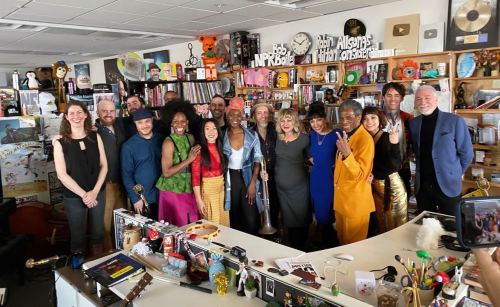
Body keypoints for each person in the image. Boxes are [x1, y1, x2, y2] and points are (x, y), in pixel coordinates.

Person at [53, 101, 108, 256]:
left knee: (98, 233)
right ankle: (78, 272)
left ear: (85, 115)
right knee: (78, 237)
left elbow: (104, 166)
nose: (76, 116)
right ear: (66, 117)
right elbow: (62, 175)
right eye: (72, 113)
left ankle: (97, 268)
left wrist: (95, 192)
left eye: (79, 112)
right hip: (74, 196)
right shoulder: (60, 143)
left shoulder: (95, 136)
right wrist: (85, 195)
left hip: (98, 192)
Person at [409, 85, 473, 215]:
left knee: (451, 226)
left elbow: (467, 153)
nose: (423, 102)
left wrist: (456, 173)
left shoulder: (455, 121)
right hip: (423, 186)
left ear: (436, 100)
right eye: (419, 99)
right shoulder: (414, 123)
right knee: (426, 225)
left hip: (449, 184)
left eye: (427, 98)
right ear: (415, 102)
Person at [334, 99, 375, 245]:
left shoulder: (365, 139)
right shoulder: (346, 135)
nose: (344, 121)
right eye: (342, 117)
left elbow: (360, 175)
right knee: (341, 245)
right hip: (341, 203)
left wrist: (347, 155)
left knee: (353, 249)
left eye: (349, 117)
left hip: (355, 205)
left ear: (358, 117)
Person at [362, 106, 407, 234]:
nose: (369, 121)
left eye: (373, 117)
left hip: (391, 187)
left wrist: (394, 144)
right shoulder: (365, 138)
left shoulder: (388, 137)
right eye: (365, 119)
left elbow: (396, 166)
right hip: (375, 186)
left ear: (379, 119)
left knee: (395, 224)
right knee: (381, 222)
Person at [223, 97, 263, 235]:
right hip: (230, 178)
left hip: (247, 176)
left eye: (238, 114)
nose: (235, 117)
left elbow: (258, 158)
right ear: (227, 115)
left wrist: (253, 182)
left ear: (242, 116)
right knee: (234, 216)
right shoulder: (222, 135)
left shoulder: (252, 135)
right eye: (231, 114)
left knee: (251, 219)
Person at [156, 105, 200, 226]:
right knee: (179, 224)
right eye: (175, 122)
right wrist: (189, 160)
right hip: (172, 189)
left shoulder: (190, 138)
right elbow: (166, 172)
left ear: (187, 122)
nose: (179, 125)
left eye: (182, 121)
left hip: (189, 185)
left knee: (192, 221)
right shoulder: (168, 142)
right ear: (171, 124)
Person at [274, 108, 310, 250]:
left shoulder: (304, 139)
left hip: (300, 187)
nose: (286, 123)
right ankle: (293, 246)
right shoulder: (277, 139)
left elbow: (313, 159)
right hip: (281, 188)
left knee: (301, 216)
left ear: (295, 121)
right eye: (282, 120)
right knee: (288, 218)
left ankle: (302, 247)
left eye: (289, 120)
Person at [95, 99, 128, 251]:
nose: (108, 114)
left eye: (111, 111)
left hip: (122, 182)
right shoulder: (92, 130)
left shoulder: (121, 125)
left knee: (122, 223)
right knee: (105, 226)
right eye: (104, 111)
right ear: (97, 113)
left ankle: (123, 253)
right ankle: (108, 256)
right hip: (105, 184)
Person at [121, 108, 164, 220]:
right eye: (140, 122)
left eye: (147, 121)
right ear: (135, 124)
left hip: (164, 195)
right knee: (148, 233)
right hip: (143, 198)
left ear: (152, 121)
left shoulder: (162, 139)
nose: (144, 125)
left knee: (166, 230)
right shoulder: (128, 146)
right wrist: (135, 199)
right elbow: (127, 175)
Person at [307, 103, 339, 248]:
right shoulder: (311, 136)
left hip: (330, 179)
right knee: (317, 211)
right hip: (315, 179)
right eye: (312, 121)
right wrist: (308, 159)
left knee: (327, 212)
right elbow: (306, 154)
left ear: (325, 119)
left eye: (318, 119)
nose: (315, 124)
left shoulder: (336, 134)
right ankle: (322, 241)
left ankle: (327, 242)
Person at [250, 100, 280, 233]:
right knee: (259, 206)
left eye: (265, 112)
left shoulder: (277, 132)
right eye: (259, 113)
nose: (263, 116)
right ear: (254, 116)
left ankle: (275, 232)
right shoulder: (249, 134)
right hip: (257, 175)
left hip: (276, 174)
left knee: (275, 205)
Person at [191, 119, 229, 226]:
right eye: (207, 129)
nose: (211, 132)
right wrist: (199, 199)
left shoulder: (221, 147)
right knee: (214, 224)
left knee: (224, 223)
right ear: (203, 132)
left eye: (214, 128)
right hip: (208, 192)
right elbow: (195, 177)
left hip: (222, 191)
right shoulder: (198, 150)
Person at [381, 82, 413, 197]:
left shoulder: (409, 118)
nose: (392, 99)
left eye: (397, 95)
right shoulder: (375, 117)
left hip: (402, 168)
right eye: (389, 95)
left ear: (402, 98)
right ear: (383, 97)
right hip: (380, 169)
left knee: (402, 203)